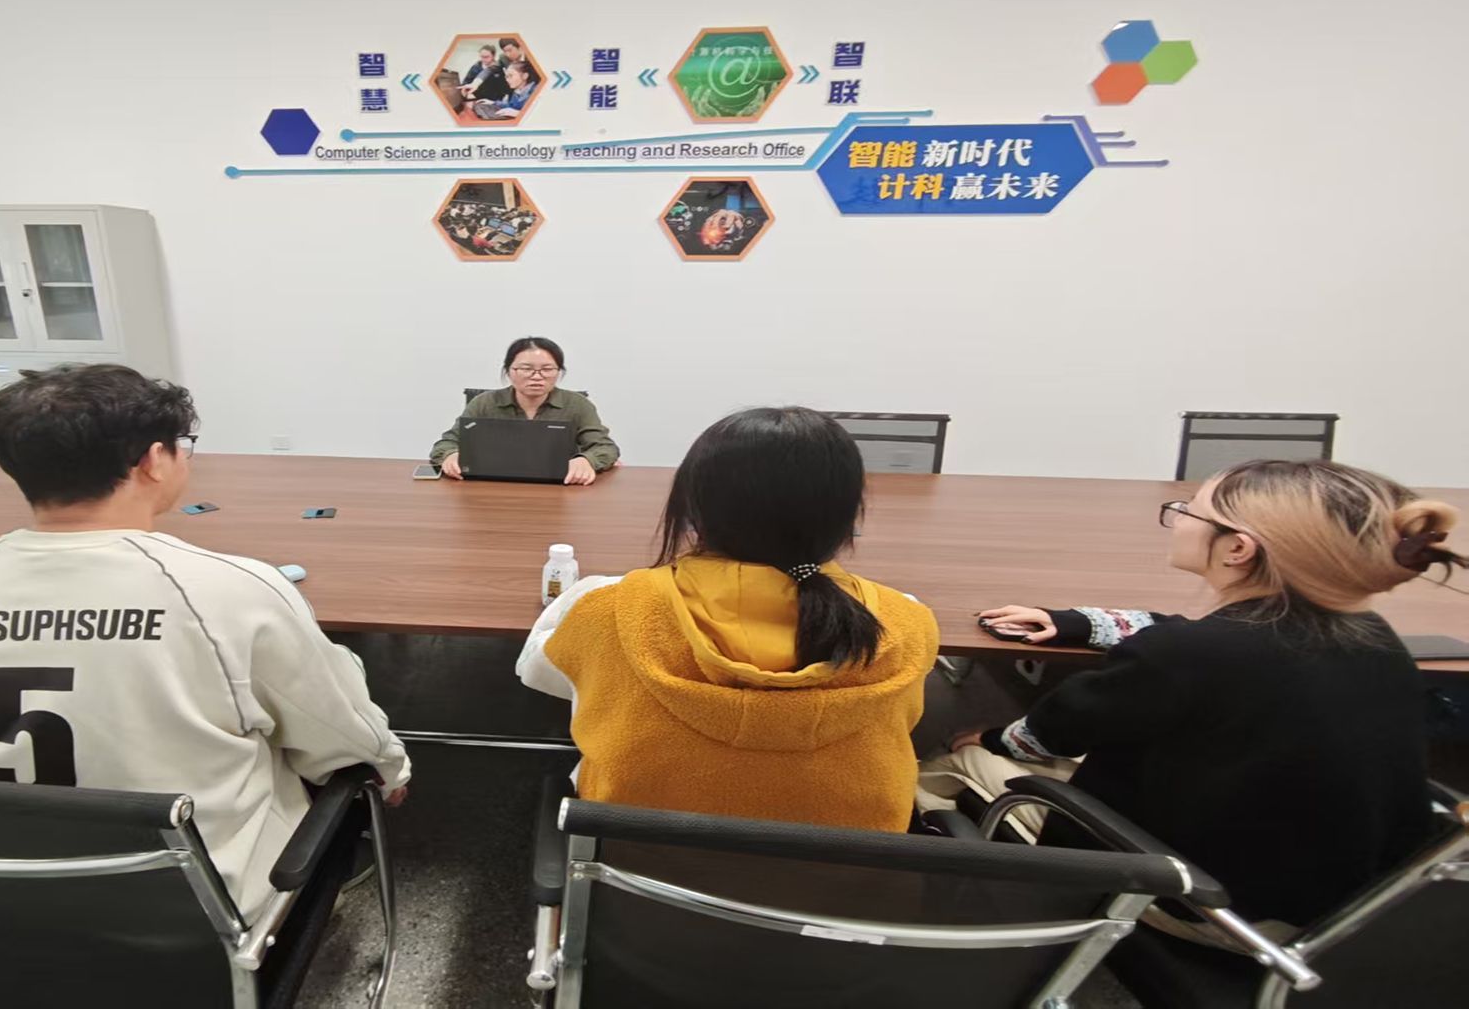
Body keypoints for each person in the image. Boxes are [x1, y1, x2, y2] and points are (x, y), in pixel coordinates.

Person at [0, 364, 410, 922]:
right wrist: (390, 772)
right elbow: (339, 734)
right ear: (154, 460)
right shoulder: (229, 590)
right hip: (199, 909)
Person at [924, 459, 1460, 949]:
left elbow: (1054, 731)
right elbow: (1194, 635)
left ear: (1237, 549)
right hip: (1337, 901)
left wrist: (990, 739)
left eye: (1188, 511)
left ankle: (970, 931)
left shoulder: (1185, 656)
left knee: (945, 764)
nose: (1177, 518)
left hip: (1215, 909)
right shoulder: (1370, 634)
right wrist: (1079, 623)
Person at [517, 407, 940, 829]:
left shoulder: (610, 606)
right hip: (848, 865)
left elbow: (538, 673)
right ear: (847, 515)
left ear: (693, 508)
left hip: (635, 857)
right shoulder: (905, 622)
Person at [430, 336, 618, 485]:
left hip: (560, 489)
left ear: (559, 372)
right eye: (526, 369)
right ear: (509, 371)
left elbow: (605, 447)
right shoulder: (484, 403)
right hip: (493, 488)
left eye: (547, 369)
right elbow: (446, 443)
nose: (537, 376)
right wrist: (451, 455)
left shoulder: (577, 404)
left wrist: (587, 460)